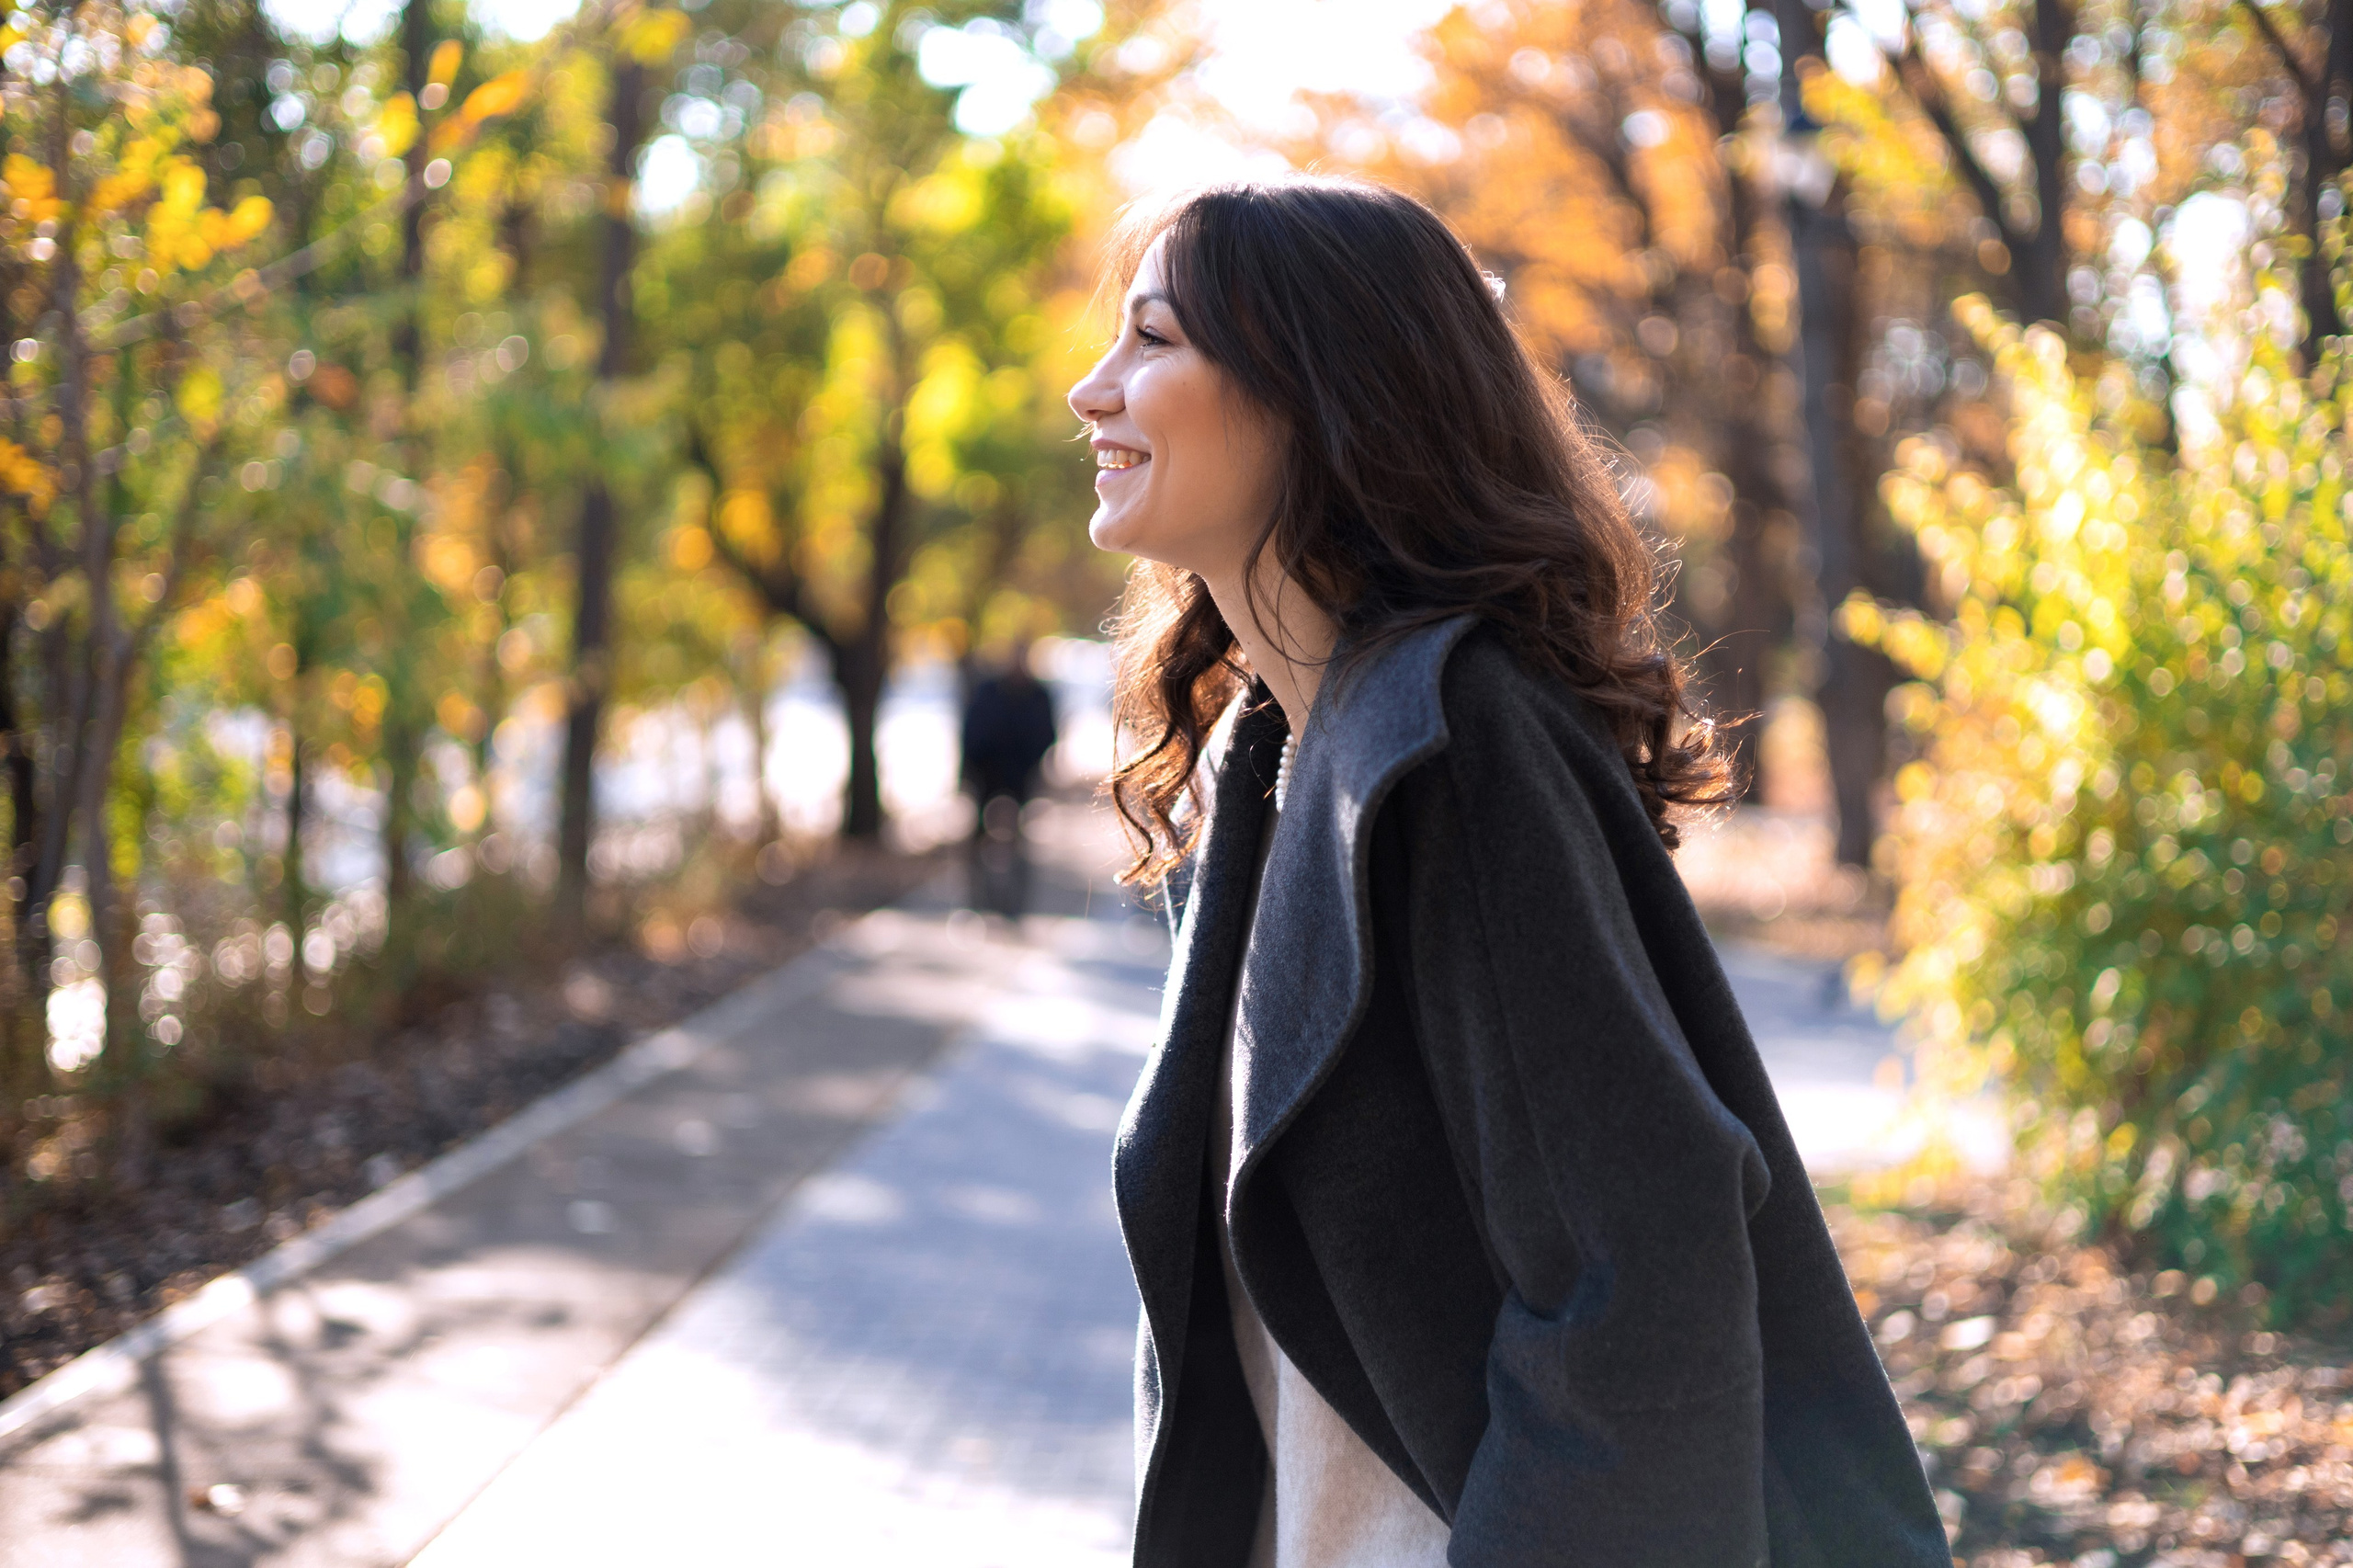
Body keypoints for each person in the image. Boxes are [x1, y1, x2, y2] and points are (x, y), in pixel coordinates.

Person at [1067, 176, 1946, 1567]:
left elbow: (1636, 1276)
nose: (1089, 390)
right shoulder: (1273, 755)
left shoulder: (1451, 740)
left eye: (1154, 339)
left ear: (1318, 386)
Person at [958, 642, 1058, 915]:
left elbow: (1046, 737)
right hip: (986, 777)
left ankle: (1014, 903)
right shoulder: (989, 692)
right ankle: (978, 900)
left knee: (1020, 841)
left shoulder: (1038, 695)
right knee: (977, 840)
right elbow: (973, 735)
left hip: (1020, 778)